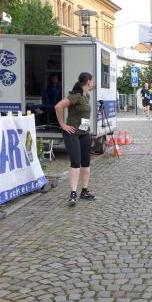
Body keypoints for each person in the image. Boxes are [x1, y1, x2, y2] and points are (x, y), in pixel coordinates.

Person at [55, 72, 97, 206]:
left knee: (86, 163)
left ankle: (84, 191)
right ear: (88, 81)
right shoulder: (76, 96)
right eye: (93, 80)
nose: (94, 83)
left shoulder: (86, 95)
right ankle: (73, 193)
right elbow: (58, 106)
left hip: (84, 133)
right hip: (72, 133)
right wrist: (62, 124)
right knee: (75, 162)